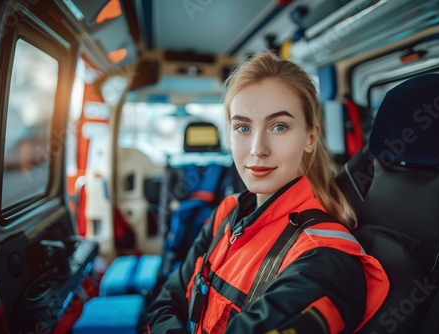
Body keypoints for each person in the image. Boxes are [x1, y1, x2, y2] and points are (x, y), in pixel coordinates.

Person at [146, 51, 389, 334]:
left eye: (279, 126)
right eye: (242, 127)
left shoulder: (323, 260)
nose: (257, 149)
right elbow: (164, 303)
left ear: (310, 137)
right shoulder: (227, 212)